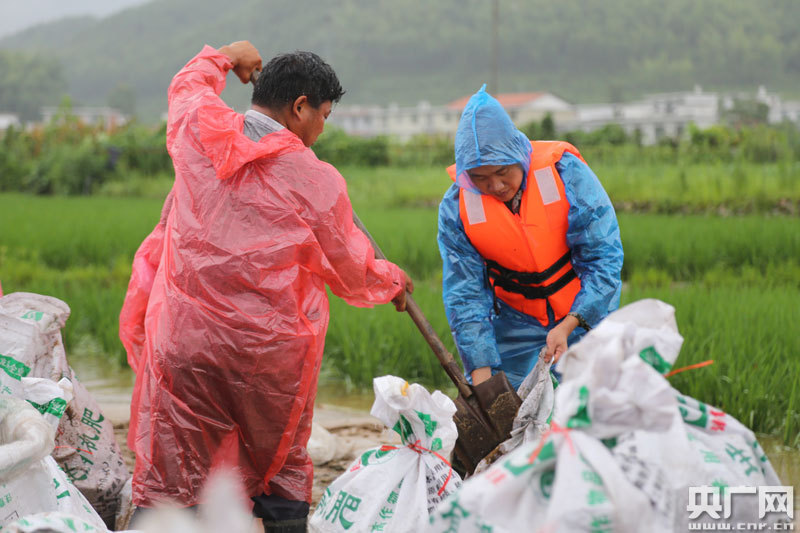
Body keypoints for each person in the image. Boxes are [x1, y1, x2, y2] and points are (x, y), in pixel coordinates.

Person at [120, 41, 412, 532]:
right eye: (324, 114)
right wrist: (394, 281)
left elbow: (187, 85)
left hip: (184, 345)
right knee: (280, 465)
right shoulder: (314, 178)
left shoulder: (199, 130)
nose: (323, 127)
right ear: (300, 107)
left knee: (173, 466)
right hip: (267, 360)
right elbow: (351, 267)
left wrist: (227, 56)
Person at [438, 85, 623, 389]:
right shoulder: (457, 207)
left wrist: (571, 323)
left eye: (502, 172)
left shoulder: (565, 173)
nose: (495, 186)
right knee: (517, 420)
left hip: (584, 316)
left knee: (591, 411)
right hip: (514, 326)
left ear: (518, 156)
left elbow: (603, 258)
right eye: (480, 178)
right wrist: (483, 379)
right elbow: (465, 293)